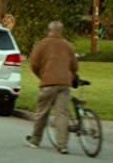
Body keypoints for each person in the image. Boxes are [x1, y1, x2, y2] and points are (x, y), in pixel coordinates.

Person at [26, 20, 78, 154]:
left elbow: (34, 64)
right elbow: (74, 67)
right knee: (62, 114)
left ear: (49, 31)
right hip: (64, 84)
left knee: (41, 112)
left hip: (48, 83)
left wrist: (42, 76)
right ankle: (62, 145)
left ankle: (36, 139)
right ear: (61, 31)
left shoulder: (41, 45)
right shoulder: (68, 46)